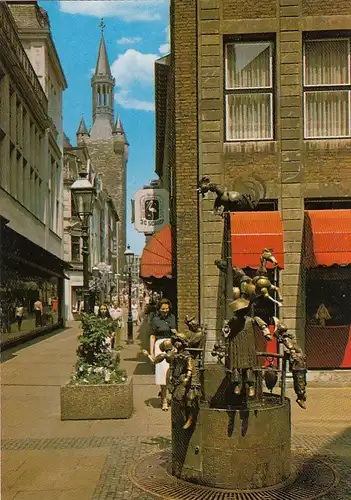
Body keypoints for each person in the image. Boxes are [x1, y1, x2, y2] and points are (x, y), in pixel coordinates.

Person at [151, 298, 176, 411]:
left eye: (167, 309)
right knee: (162, 372)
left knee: (170, 373)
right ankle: (164, 400)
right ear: (159, 309)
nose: (165, 311)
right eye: (163, 309)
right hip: (159, 346)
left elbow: (175, 332)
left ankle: (166, 394)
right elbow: (152, 336)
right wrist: (151, 352)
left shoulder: (172, 318)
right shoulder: (155, 320)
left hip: (170, 345)